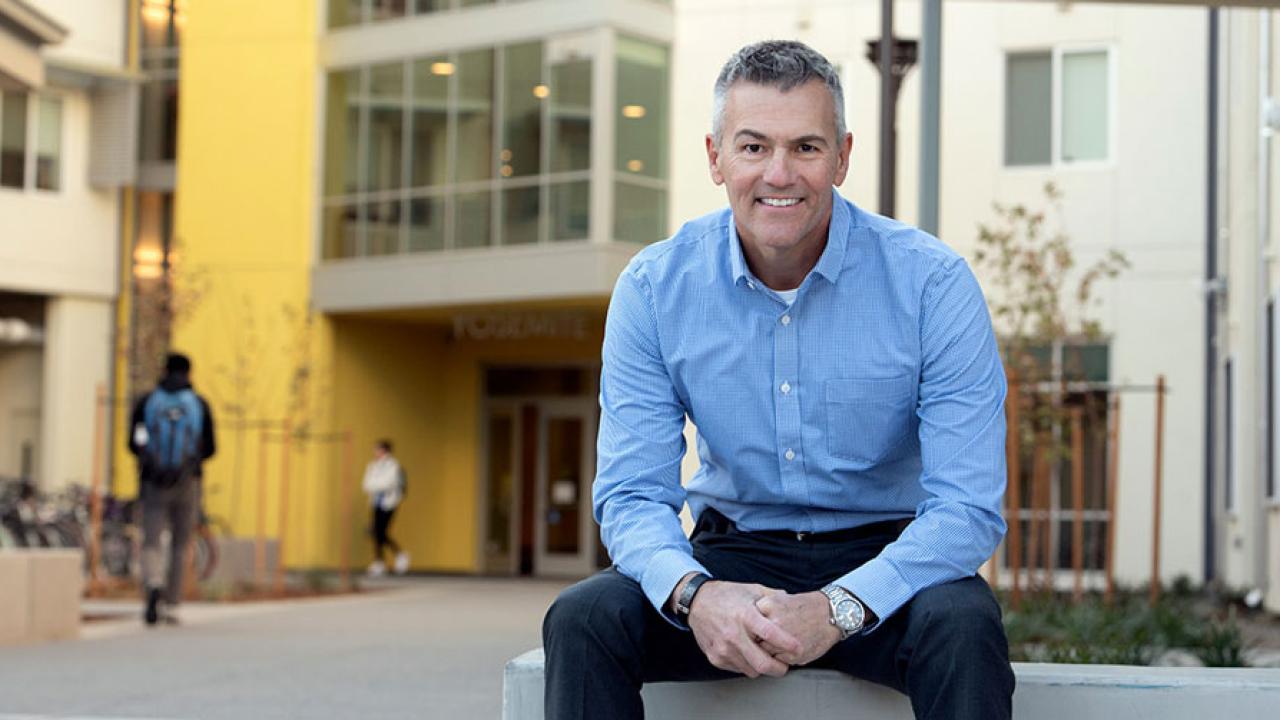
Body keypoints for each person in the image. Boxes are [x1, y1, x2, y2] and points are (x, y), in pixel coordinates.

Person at [542, 40, 1014, 720]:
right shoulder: (653, 288)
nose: (780, 174)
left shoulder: (932, 285)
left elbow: (967, 509)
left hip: (891, 563)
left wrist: (839, 608)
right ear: (715, 157)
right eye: (754, 147)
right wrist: (695, 595)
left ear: (844, 156)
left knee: (964, 625)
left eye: (807, 148)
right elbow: (632, 494)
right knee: (584, 618)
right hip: (732, 554)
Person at [128, 352, 217, 626]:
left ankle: (153, 583)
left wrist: (151, 462)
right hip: (187, 483)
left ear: (164, 369)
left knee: (152, 540)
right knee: (181, 543)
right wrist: (187, 464)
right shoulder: (198, 404)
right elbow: (210, 448)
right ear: (189, 373)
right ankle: (172, 604)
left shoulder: (147, 402)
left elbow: (135, 441)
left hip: (153, 481)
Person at [362, 439, 409, 576]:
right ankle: (379, 562)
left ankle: (399, 554)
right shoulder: (372, 466)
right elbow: (366, 484)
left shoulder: (393, 466)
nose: (375, 452)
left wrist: (376, 485)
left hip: (389, 503)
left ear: (385, 451)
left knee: (382, 532)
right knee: (376, 532)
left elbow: (388, 483)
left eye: (377, 449)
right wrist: (377, 485)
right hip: (375, 502)